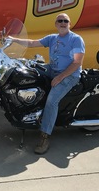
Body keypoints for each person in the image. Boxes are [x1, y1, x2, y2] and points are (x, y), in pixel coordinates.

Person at [10, 13, 85, 154]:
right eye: (60, 21)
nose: (63, 23)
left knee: (51, 101)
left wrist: (60, 77)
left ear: (70, 24)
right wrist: (13, 40)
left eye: (65, 21)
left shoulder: (76, 39)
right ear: (56, 24)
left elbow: (77, 63)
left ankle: (45, 136)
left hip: (69, 75)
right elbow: (32, 43)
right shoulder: (52, 38)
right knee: (29, 71)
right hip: (53, 69)